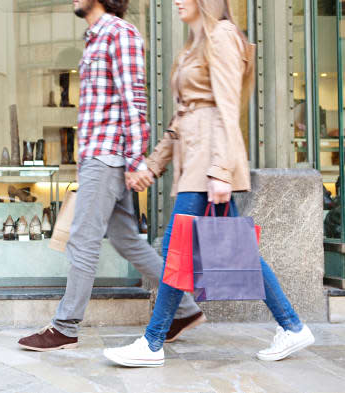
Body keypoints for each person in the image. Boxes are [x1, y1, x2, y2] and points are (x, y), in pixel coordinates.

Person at [103, 0, 315, 368]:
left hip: (208, 165)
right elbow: (182, 117)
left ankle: (152, 342)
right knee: (238, 253)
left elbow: (228, 107)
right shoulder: (194, 46)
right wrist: (153, 166)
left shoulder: (223, 36)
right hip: (196, 163)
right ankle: (292, 325)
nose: (176, 2)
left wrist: (221, 170)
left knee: (175, 251)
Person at [17, 0, 205, 352]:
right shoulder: (96, 38)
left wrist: (135, 161)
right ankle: (184, 308)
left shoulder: (120, 33)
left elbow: (133, 102)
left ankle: (65, 326)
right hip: (98, 156)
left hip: (108, 158)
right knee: (127, 240)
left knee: (83, 239)